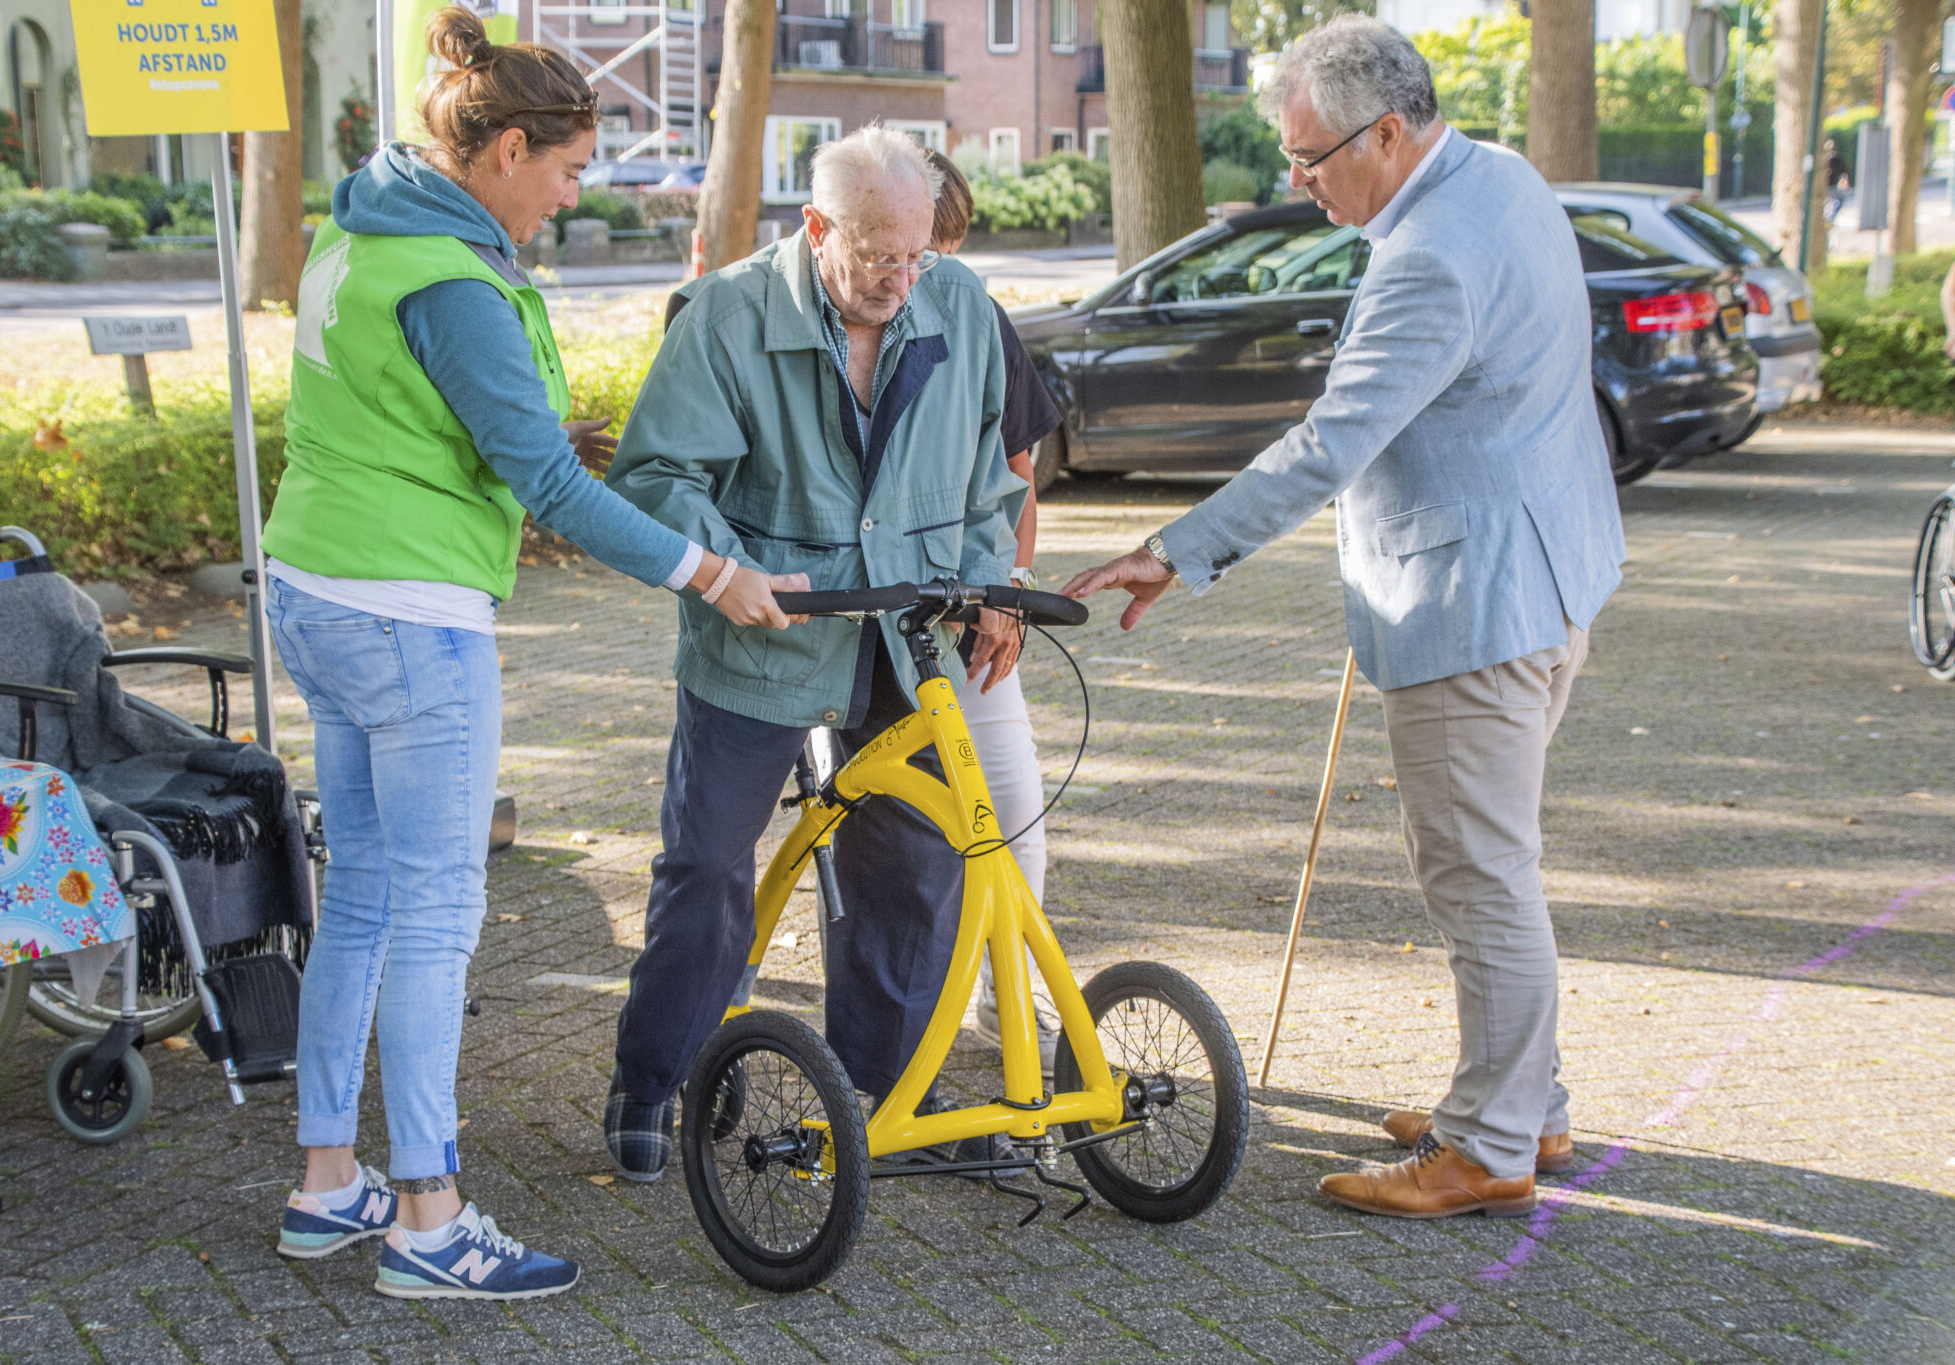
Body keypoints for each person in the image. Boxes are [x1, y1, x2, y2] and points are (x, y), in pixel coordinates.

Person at [259, 7, 797, 1299]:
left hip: (317, 589)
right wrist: (710, 571)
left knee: (370, 898)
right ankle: (431, 1216)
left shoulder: (368, 227)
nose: (567, 197)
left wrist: (538, 430)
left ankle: (330, 1182)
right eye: (563, 172)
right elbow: (548, 491)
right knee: (436, 915)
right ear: (503, 149)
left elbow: (411, 402)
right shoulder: (455, 277)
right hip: (409, 611)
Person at [1065, 14, 1625, 1220]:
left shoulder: (1427, 252)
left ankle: (1487, 1147)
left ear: (1386, 131)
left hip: (1474, 603)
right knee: (1497, 866)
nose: (1297, 182)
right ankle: (1528, 1102)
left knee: (1480, 876)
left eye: (1310, 159)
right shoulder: (1501, 179)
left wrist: (1178, 548)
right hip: (1547, 572)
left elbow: (1334, 439)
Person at [603, 125, 1027, 1182]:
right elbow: (658, 479)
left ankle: (882, 1094)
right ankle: (651, 1078)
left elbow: (988, 477)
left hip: (902, 632)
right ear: (816, 227)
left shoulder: (957, 302)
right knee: (705, 864)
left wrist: (992, 585)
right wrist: (730, 570)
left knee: (911, 865)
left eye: (916, 254)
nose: (899, 279)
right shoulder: (727, 316)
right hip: (765, 633)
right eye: (876, 255)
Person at [922, 150, 1063, 1060]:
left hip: (964, 606)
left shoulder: (975, 314)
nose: (922, 273)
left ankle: (1013, 996)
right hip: (857, 612)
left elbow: (1020, 476)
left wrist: (1006, 597)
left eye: (939, 251)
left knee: (1011, 801)